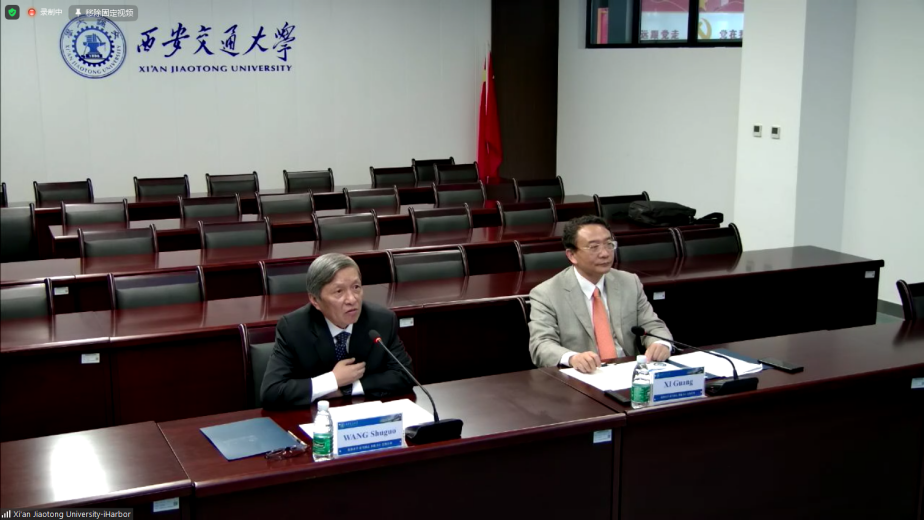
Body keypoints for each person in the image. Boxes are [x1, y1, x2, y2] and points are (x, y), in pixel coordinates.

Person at [261, 253, 414, 408]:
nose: (352, 299)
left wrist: (348, 389)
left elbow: (405, 375)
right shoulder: (294, 328)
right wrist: (332, 380)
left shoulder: (382, 321)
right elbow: (272, 392)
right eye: (339, 291)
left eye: (356, 287)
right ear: (315, 300)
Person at [528, 215, 674, 374]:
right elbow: (541, 344)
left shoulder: (629, 282)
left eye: (609, 244)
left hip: (629, 370)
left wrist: (660, 343)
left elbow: (652, 325)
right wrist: (572, 358)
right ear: (572, 255)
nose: (605, 253)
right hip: (583, 375)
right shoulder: (546, 293)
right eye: (594, 247)